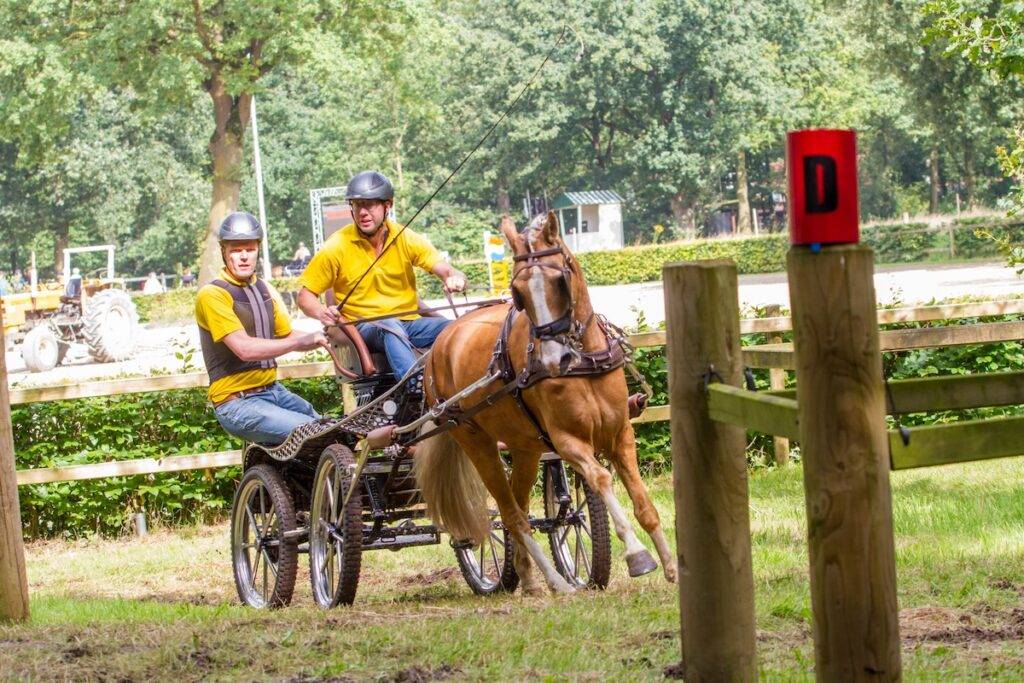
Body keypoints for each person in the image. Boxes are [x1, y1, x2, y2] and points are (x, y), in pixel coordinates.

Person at [297, 171, 467, 379]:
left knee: (460, 328)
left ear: (388, 205)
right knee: (390, 326)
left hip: (410, 324)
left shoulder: (405, 238)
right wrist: (322, 312)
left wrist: (453, 277)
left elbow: (445, 269)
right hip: (366, 328)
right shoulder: (336, 246)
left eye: (370, 205)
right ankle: (413, 386)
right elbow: (305, 296)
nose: (363, 212)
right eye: (357, 205)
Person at [196, 211, 331, 445]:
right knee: (312, 432)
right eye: (236, 250)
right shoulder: (212, 294)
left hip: (273, 391)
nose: (244, 257)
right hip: (236, 402)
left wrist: (326, 337)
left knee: (333, 428)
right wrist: (299, 342)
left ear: (258, 250)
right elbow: (244, 349)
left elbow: (287, 335)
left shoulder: (265, 289)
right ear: (223, 252)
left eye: (249, 249)